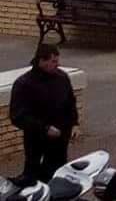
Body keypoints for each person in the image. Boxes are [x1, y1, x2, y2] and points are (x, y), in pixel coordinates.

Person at [9, 43, 80, 183]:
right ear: (41, 61)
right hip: (36, 139)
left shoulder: (62, 77)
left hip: (60, 138)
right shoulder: (24, 84)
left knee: (58, 174)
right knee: (33, 176)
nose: (57, 64)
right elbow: (17, 116)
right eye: (53, 61)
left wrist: (75, 124)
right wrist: (44, 128)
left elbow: (70, 102)